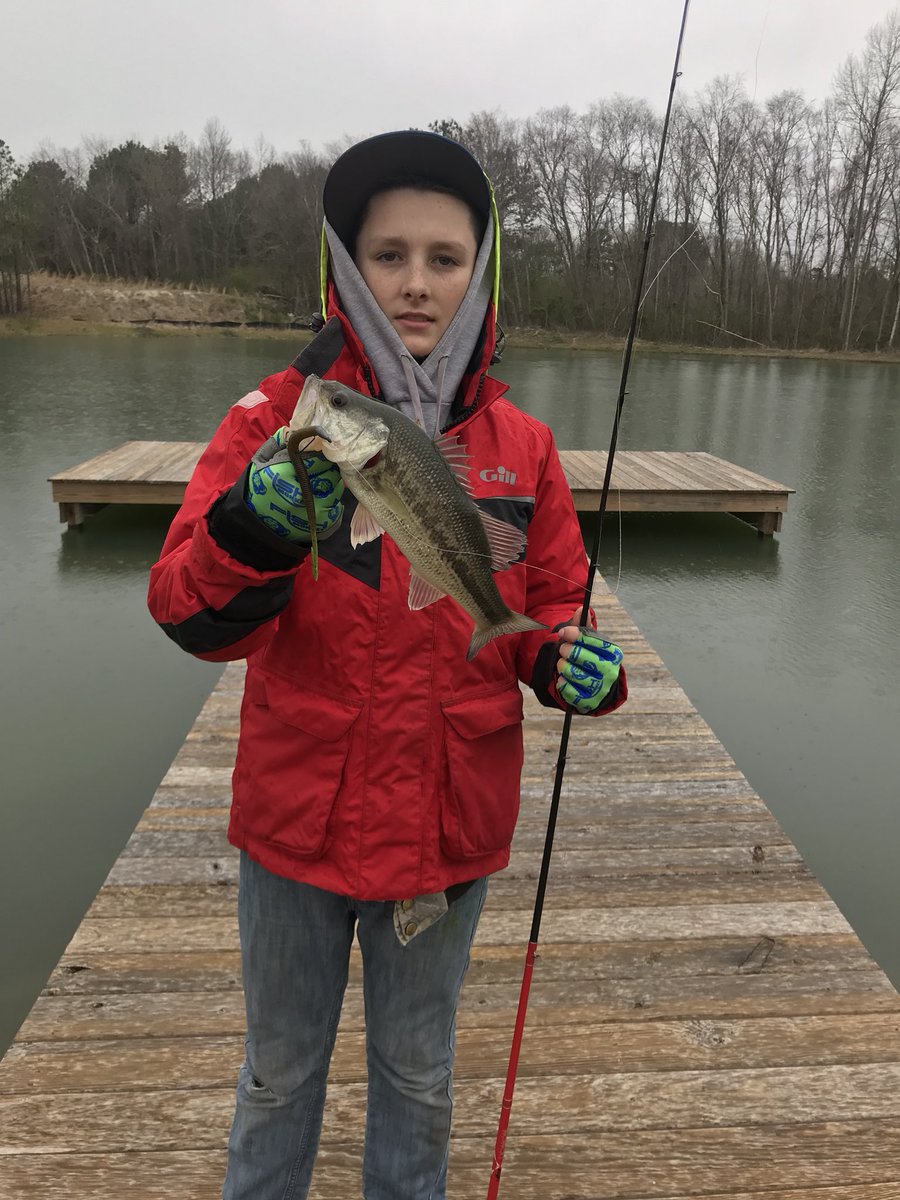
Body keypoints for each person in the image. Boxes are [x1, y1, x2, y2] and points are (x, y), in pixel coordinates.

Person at [148, 130, 628, 1200]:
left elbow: (550, 602)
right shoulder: (280, 417)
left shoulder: (528, 447)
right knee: (278, 1079)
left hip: (447, 832)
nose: (416, 283)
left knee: (418, 1080)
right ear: (345, 267)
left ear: (481, 271)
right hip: (294, 824)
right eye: (389, 254)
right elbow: (182, 606)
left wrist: (565, 662)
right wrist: (257, 529)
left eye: (445, 258)